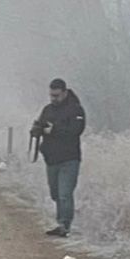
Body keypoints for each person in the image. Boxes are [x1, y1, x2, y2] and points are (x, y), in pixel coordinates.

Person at [32, 78, 86, 237]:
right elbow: (40, 126)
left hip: (69, 159)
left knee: (65, 194)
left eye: (56, 95)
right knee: (55, 193)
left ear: (64, 92)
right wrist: (36, 130)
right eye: (51, 96)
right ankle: (61, 222)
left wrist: (54, 130)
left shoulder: (76, 110)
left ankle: (64, 224)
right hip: (51, 159)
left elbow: (76, 130)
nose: (53, 99)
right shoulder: (47, 109)